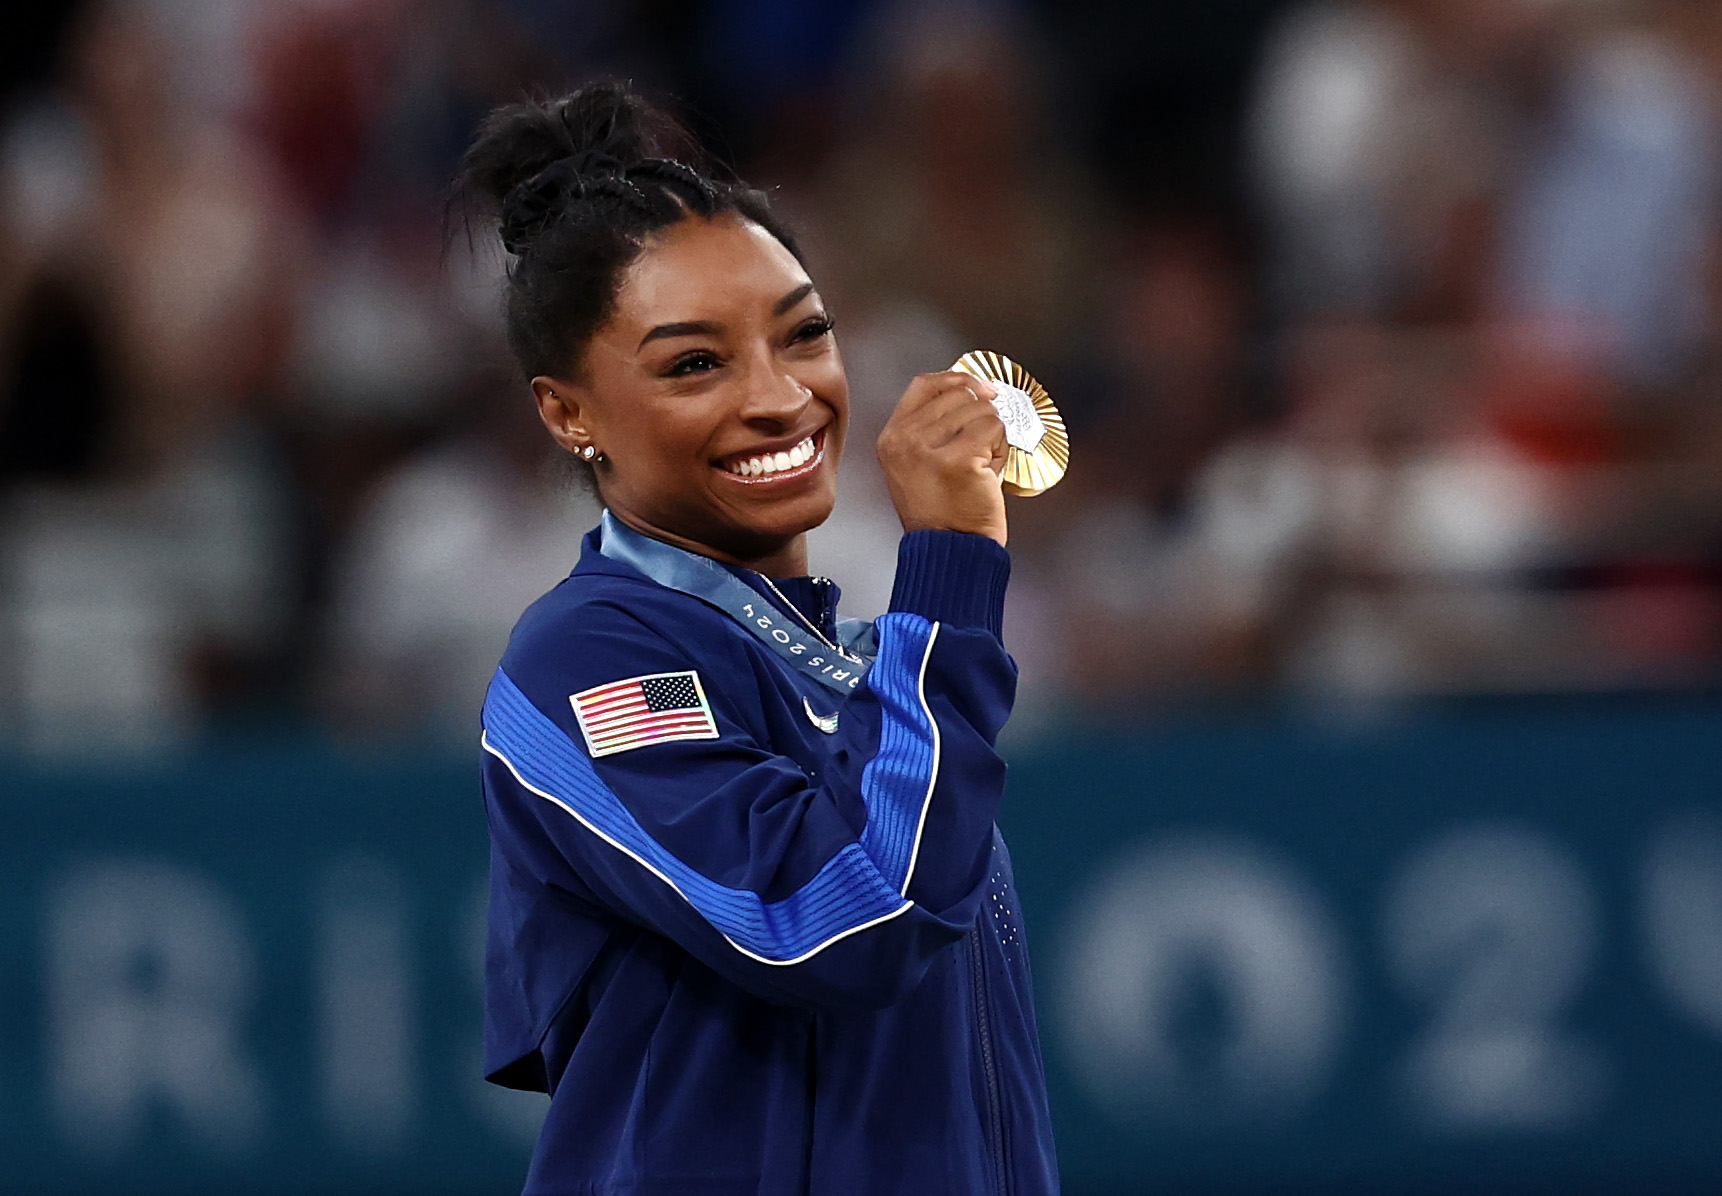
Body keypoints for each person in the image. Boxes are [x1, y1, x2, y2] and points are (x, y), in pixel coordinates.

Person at [462, 85, 1059, 1195]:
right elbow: (850, 915)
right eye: (695, 364)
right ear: (567, 412)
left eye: (806, 335)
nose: (782, 397)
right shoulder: (582, 661)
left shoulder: (870, 671)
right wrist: (952, 569)